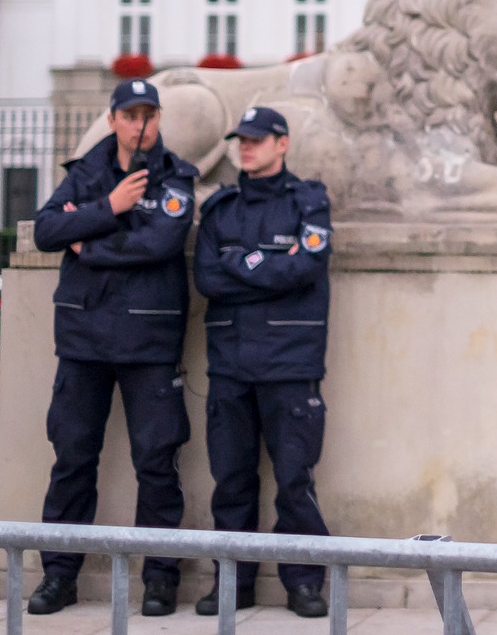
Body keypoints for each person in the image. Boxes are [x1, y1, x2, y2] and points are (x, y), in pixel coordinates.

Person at [27, 78, 197, 617]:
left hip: (148, 340)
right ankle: (59, 574)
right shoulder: (85, 172)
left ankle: (160, 575)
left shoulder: (174, 177)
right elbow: (47, 230)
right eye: (130, 115)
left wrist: (90, 243)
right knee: (73, 457)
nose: (139, 125)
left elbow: (159, 243)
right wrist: (110, 205)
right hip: (84, 341)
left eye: (148, 115)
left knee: (157, 461)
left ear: (159, 120)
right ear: (114, 119)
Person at [192, 106, 334, 618]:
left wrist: (244, 263)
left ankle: (303, 583)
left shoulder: (308, 201)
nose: (245, 148)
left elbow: (308, 266)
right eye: (240, 141)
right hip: (230, 363)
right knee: (231, 481)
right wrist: (271, 267)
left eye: (256, 140)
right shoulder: (222, 208)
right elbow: (208, 280)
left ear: (282, 144)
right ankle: (234, 581)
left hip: (291, 364)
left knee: (295, 480)